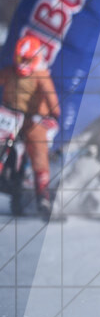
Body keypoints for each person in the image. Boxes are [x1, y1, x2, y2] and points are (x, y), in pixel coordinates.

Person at [0, 34, 60, 218]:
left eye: (28, 60)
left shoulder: (41, 76)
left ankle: (43, 194)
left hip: (31, 120)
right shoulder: (9, 72)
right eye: (20, 59)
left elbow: (53, 103)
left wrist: (52, 116)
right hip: (8, 116)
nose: (23, 64)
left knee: (37, 147)